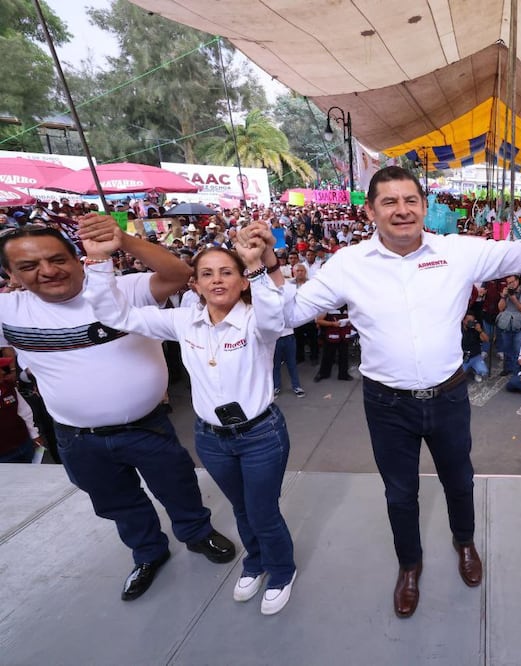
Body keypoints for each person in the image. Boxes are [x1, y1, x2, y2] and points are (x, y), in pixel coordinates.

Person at [250, 166, 521, 618]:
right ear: (371, 211)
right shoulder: (348, 264)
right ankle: (410, 566)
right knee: (399, 494)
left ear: (424, 207)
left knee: (460, 481)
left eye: (410, 200)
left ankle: (465, 542)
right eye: (389, 202)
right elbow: (282, 318)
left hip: (448, 397)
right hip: (387, 405)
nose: (402, 210)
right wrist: (264, 267)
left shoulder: (457, 251)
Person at [0, 219, 235, 601]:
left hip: (147, 427)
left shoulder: (125, 288)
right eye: (28, 266)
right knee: (117, 503)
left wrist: (121, 239)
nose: (47, 271)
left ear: (77, 258)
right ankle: (148, 553)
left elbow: (179, 274)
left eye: (57, 259)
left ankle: (196, 533)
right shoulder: (8, 311)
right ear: (10, 275)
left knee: (177, 486)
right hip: (79, 439)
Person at [82, 222, 298, 615]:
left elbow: (275, 317)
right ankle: (255, 561)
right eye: (207, 274)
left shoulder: (256, 320)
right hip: (212, 439)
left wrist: (256, 265)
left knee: (263, 510)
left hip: (260, 436)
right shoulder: (183, 322)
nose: (217, 280)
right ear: (194, 284)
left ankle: (282, 570)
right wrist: (99, 263)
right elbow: (117, 315)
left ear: (242, 282)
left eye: (227, 272)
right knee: (241, 508)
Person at [0, 356, 44, 463]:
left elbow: (25, 411)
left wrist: (34, 435)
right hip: (4, 455)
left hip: (24, 444)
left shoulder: (9, 387)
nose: (4, 372)